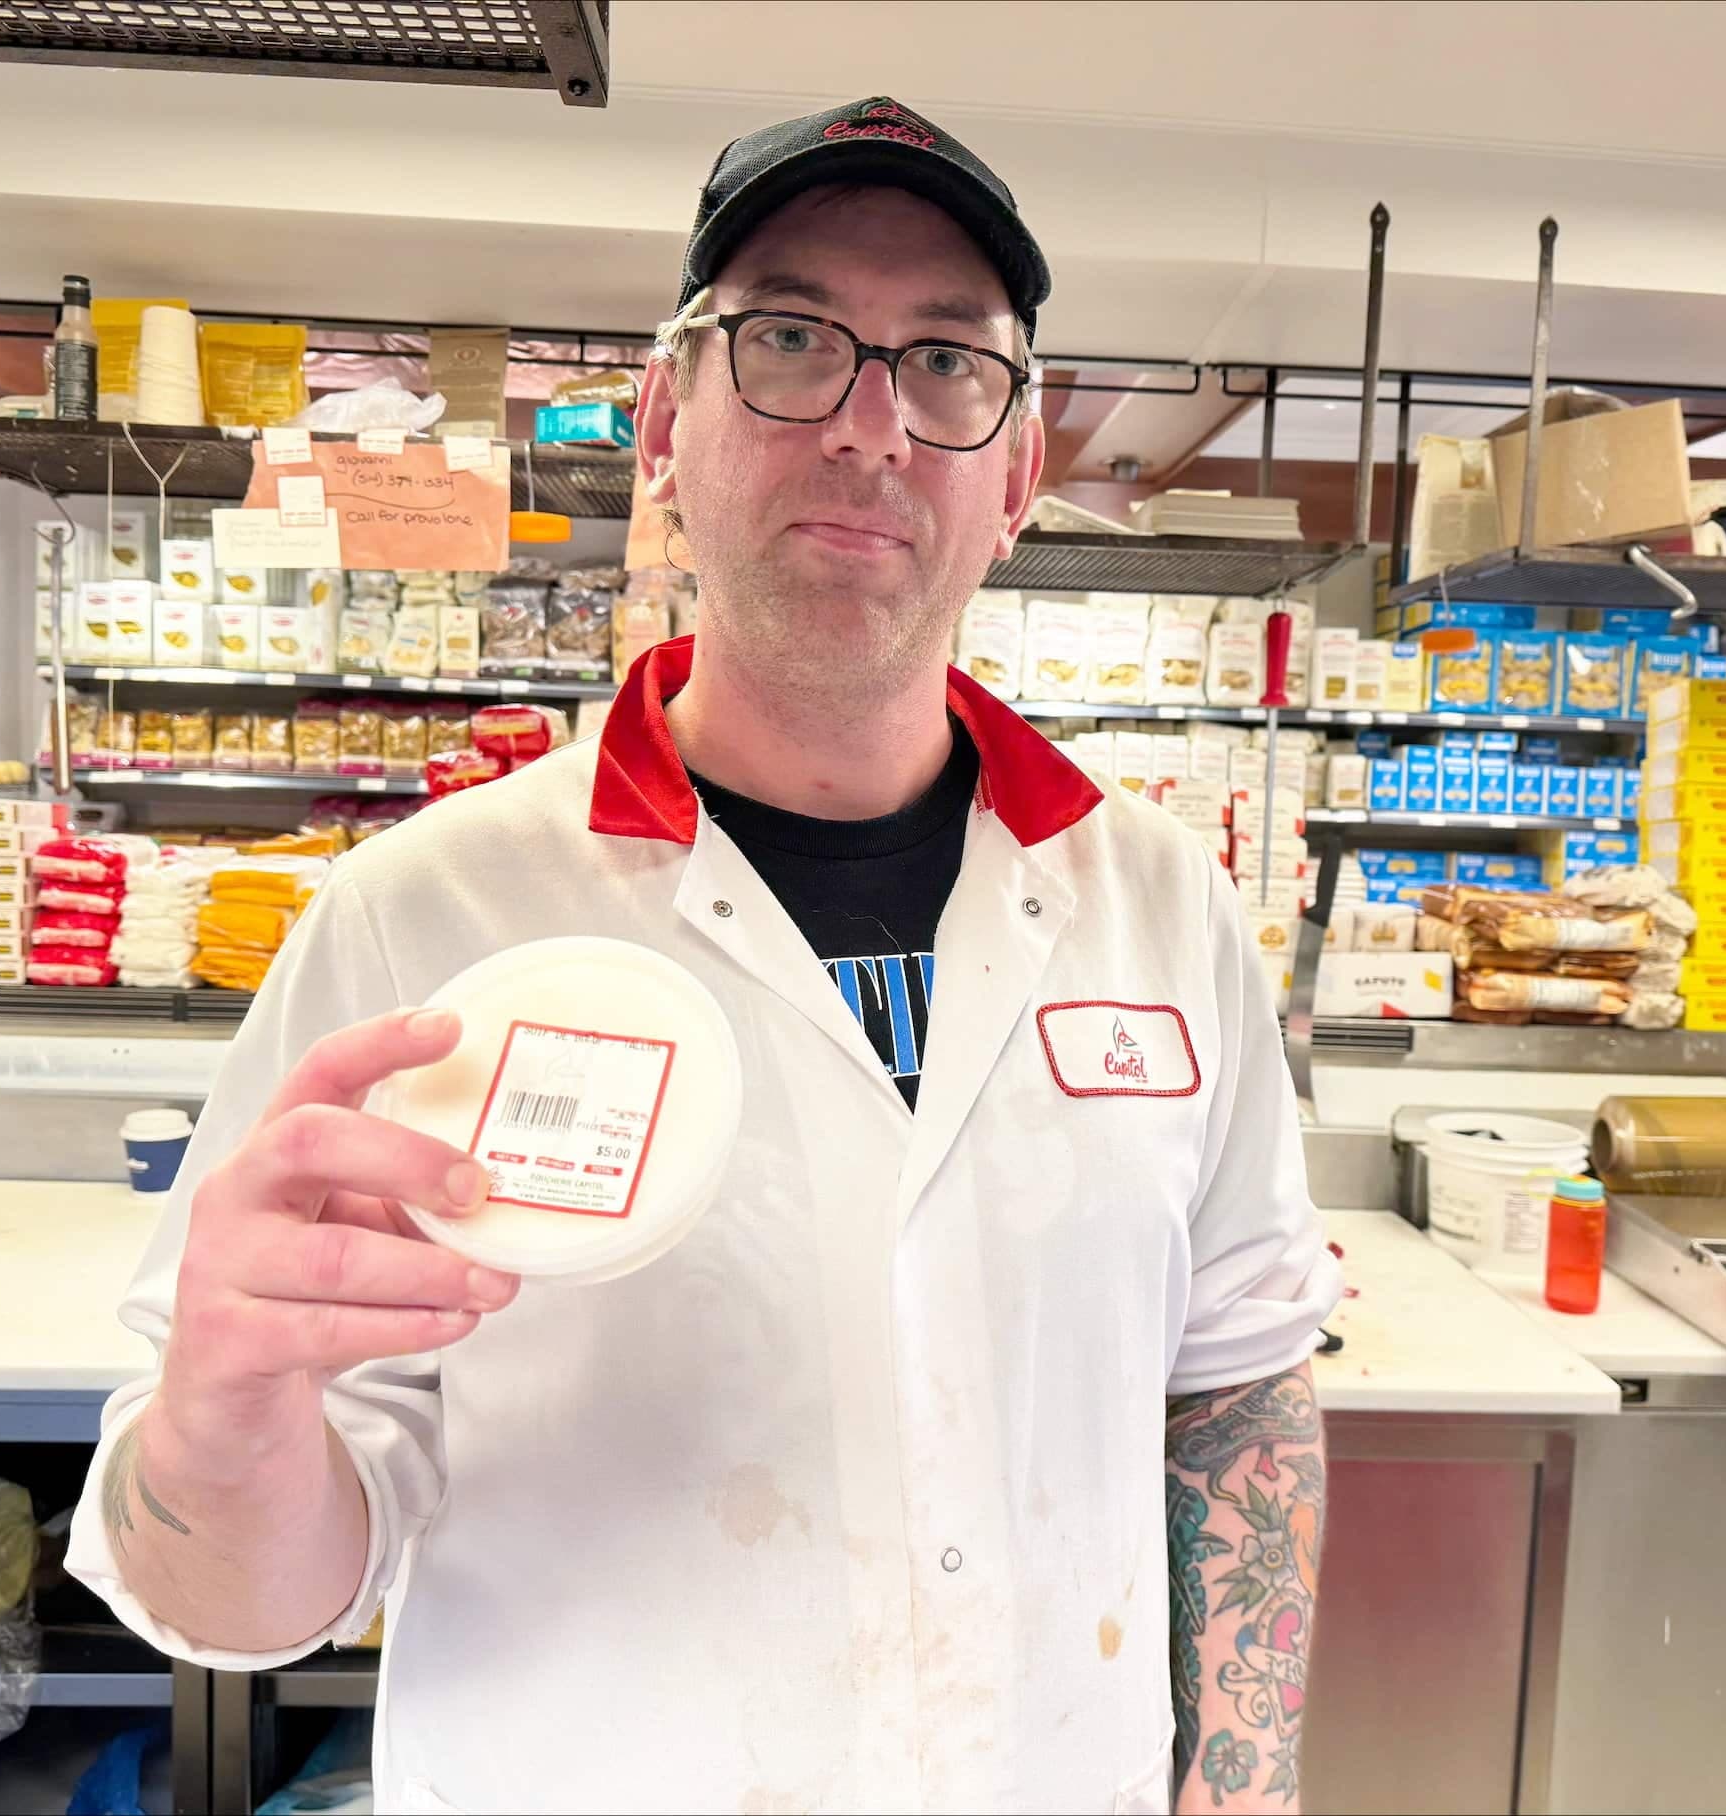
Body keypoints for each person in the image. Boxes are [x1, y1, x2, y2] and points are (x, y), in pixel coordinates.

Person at [69, 94, 1338, 1815]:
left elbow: (1239, 1383)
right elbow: (248, 1603)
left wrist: (1240, 1785)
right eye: (793, 339)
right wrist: (223, 1421)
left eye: (950, 365)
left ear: (1020, 471)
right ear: (669, 419)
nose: (872, 428)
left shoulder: (1165, 909)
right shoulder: (423, 920)